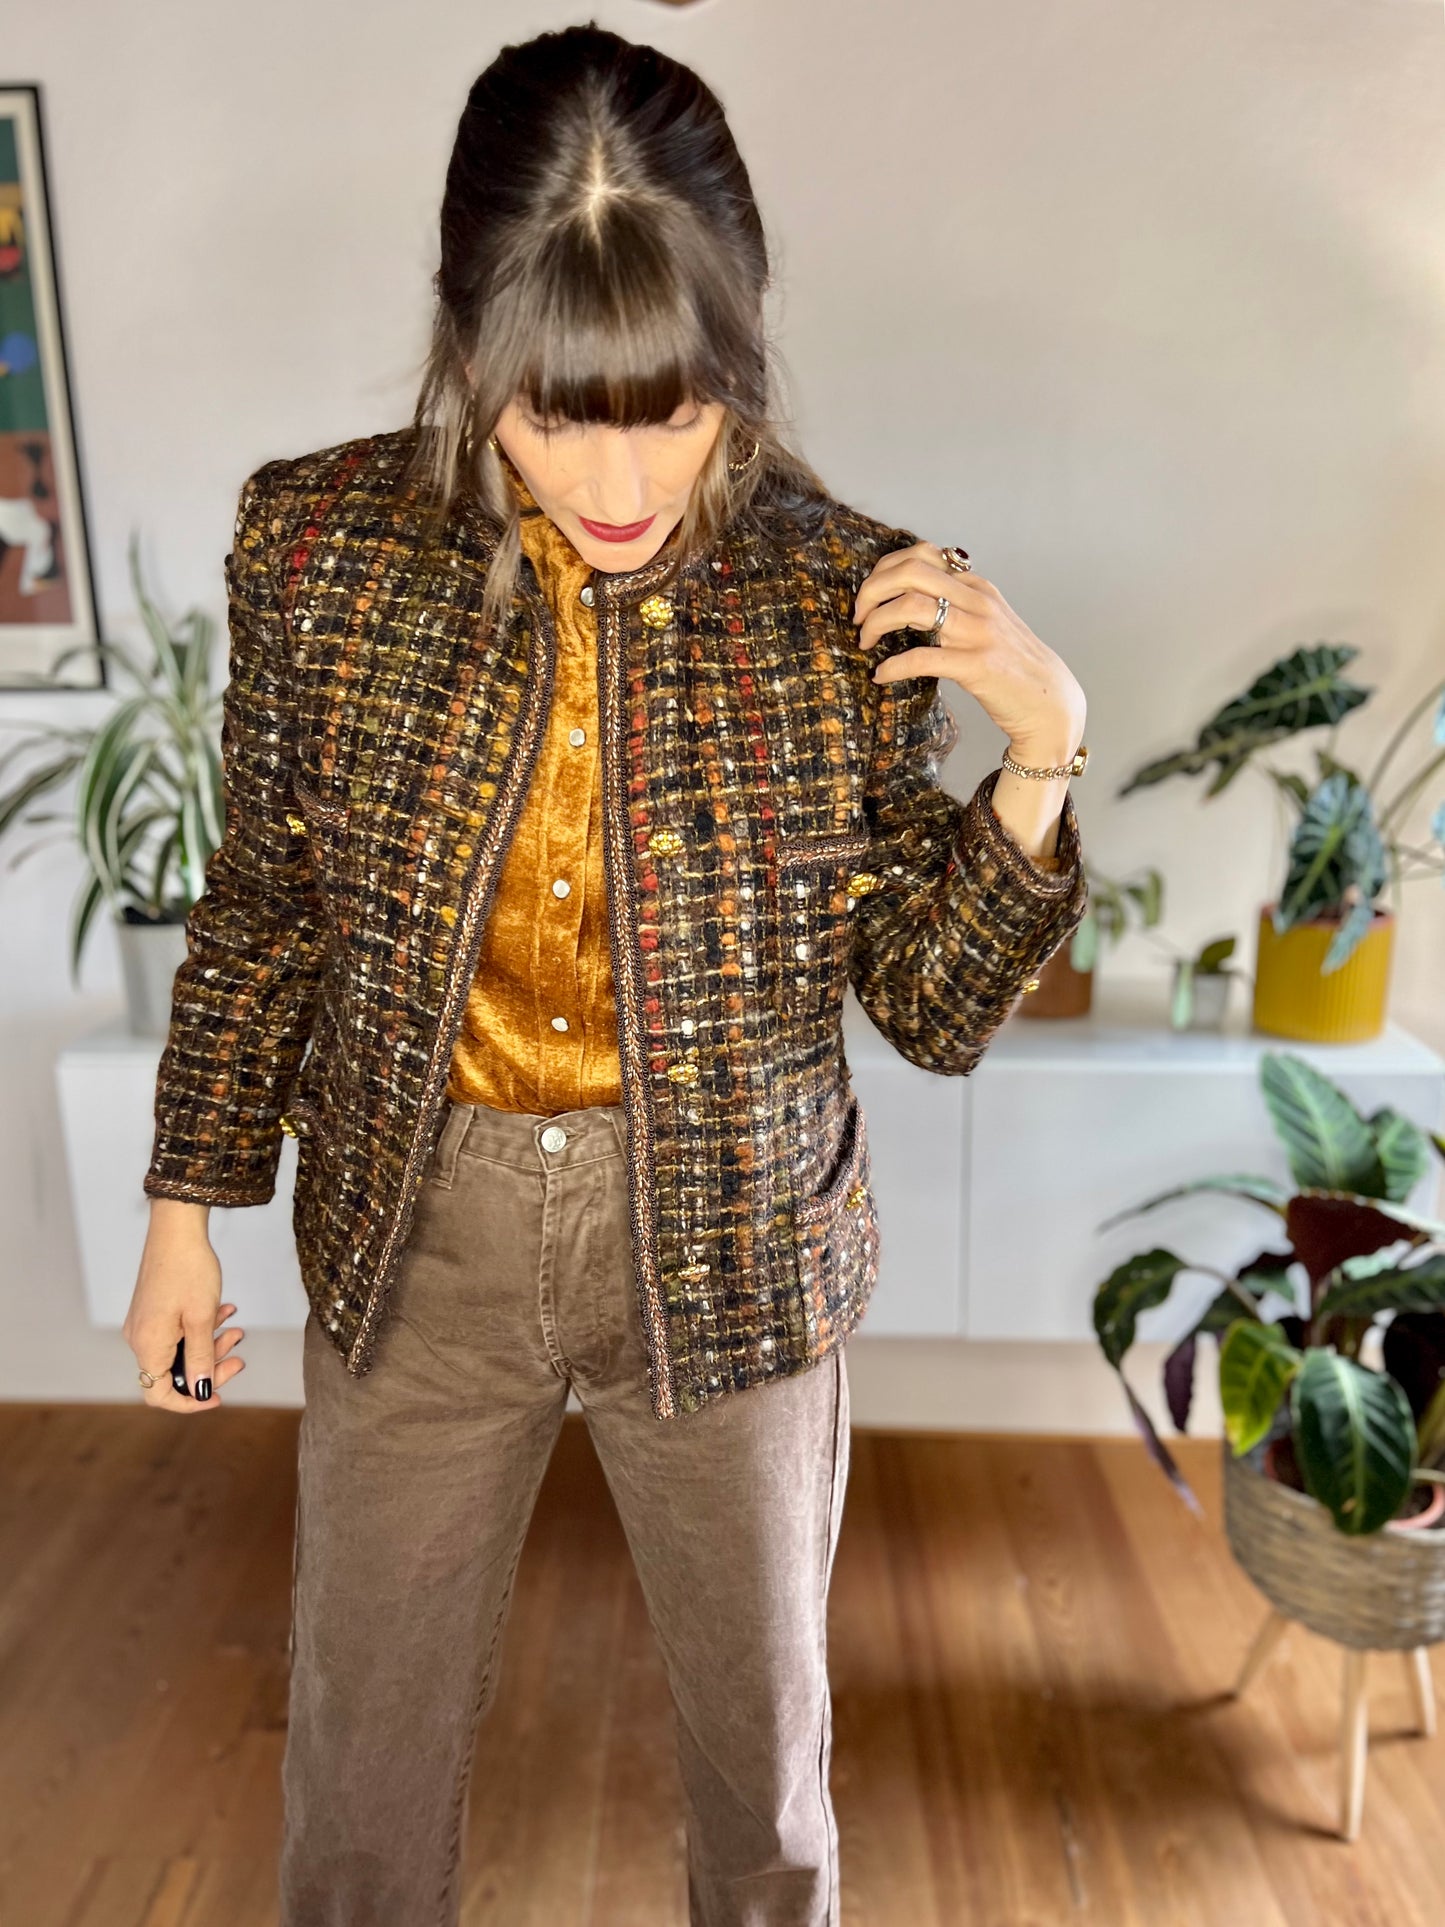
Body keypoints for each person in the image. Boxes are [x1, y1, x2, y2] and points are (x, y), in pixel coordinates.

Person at [124, 23, 1090, 1927]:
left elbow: (928, 1004)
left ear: (738, 343)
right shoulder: (316, 545)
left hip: (730, 1253)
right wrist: (185, 1216)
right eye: (557, 411)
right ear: (467, 340)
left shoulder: (847, 596)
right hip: (420, 1237)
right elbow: (266, 911)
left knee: (769, 1805)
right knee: (357, 1796)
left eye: (671, 407)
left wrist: (1042, 748)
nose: (619, 473)